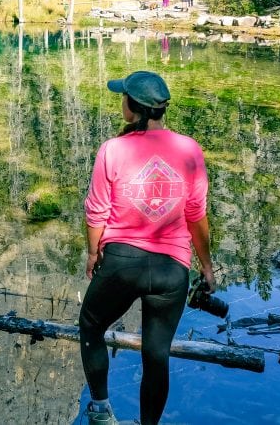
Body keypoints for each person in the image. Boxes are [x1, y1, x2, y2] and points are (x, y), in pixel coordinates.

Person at [78, 71, 215, 425]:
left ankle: (101, 411)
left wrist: (93, 254)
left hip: (122, 264)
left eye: (122, 96)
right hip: (172, 269)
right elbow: (196, 215)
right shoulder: (189, 149)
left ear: (132, 107)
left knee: (91, 325)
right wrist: (206, 266)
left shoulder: (112, 150)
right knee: (156, 354)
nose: (120, 101)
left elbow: (96, 212)